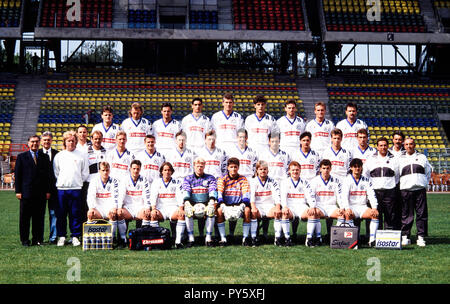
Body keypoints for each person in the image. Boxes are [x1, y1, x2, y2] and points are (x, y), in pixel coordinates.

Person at [53, 130, 90, 247]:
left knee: (75, 214)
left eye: (73, 141)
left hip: (76, 189)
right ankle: (62, 236)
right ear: (65, 142)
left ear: (76, 141)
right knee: (61, 214)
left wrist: (77, 181)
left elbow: (85, 173)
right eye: (68, 141)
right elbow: (56, 172)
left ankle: (75, 236)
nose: (71, 143)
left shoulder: (82, 155)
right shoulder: (59, 156)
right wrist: (64, 182)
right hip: (62, 189)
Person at [15, 135, 51, 246]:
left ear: (39, 143)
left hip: (40, 194)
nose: (34, 144)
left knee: (39, 218)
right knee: (25, 218)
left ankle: (37, 239)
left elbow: (48, 176)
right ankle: (25, 240)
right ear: (28, 143)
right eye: (32, 142)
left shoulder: (44, 157)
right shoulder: (21, 157)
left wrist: (48, 191)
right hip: (26, 193)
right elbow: (18, 175)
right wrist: (18, 191)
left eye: (36, 142)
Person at [398, 137, 432, 247]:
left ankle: (420, 237)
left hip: (419, 190)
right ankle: (405, 236)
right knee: (406, 214)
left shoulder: (422, 157)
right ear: (404, 145)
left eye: (411, 144)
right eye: (406, 144)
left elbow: (428, 171)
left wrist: (423, 182)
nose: (409, 146)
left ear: (414, 145)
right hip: (406, 190)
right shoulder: (400, 158)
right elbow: (397, 174)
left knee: (421, 214)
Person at [364, 137, 400, 230]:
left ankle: (388, 236)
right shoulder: (371, 159)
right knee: (375, 214)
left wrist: (390, 184)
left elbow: (397, 175)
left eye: (385, 145)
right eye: (381, 145)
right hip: (375, 191)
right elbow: (366, 175)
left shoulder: (394, 159)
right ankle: (374, 237)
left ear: (388, 146)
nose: (383, 147)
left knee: (390, 214)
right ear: (377, 147)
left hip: (389, 191)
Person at [341, 158, 379, 247]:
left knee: (375, 214)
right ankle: (352, 240)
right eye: (355, 167)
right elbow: (344, 196)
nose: (357, 169)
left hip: (362, 207)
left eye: (359, 167)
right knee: (347, 215)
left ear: (362, 168)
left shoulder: (366, 180)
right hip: (351, 207)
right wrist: (347, 208)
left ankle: (372, 240)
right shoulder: (347, 180)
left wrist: (374, 208)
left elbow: (371, 195)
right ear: (351, 168)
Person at [279, 161, 318, 247]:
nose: (295, 172)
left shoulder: (305, 182)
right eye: (293, 170)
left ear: (300, 171)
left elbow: (310, 196)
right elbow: (283, 197)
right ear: (289, 171)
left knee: (312, 213)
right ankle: (287, 239)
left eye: (297, 170)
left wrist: (312, 206)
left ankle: (309, 239)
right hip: (290, 206)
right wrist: (284, 207)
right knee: (284, 213)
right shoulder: (284, 182)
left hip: (301, 206)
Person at [182, 157, 218, 247]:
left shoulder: (210, 178)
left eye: (201, 166)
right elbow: (186, 190)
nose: (199, 168)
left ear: (204, 166)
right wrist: (187, 202)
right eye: (197, 166)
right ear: (194, 166)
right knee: (188, 212)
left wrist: (211, 202)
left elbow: (212, 190)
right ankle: (191, 238)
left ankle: (208, 238)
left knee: (211, 211)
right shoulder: (188, 178)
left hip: (206, 202)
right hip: (193, 203)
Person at [86, 162, 124, 246]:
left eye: (107, 170)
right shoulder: (94, 181)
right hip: (98, 208)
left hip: (109, 207)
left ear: (109, 171)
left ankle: (112, 238)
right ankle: (90, 239)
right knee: (90, 214)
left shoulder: (114, 181)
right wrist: (91, 208)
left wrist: (114, 207)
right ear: (99, 171)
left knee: (113, 214)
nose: (105, 172)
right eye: (103, 170)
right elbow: (90, 196)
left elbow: (116, 196)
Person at [309, 159, 346, 245]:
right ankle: (318, 238)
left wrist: (341, 207)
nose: (325, 170)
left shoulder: (336, 181)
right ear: (320, 169)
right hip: (319, 206)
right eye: (324, 168)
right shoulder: (314, 181)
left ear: (330, 169)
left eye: (327, 168)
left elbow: (340, 196)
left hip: (331, 206)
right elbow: (311, 196)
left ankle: (336, 238)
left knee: (342, 214)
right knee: (315, 213)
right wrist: (313, 206)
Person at [149, 162, 185, 248]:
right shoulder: (156, 182)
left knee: (182, 215)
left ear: (172, 172)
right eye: (165, 170)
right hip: (161, 208)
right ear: (161, 171)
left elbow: (180, 196)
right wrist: (153, 209)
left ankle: (178, 241)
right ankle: (156, 241)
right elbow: (153, 196)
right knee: (153, 215)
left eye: (169, 170)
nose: (167, 172)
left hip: (173, 208)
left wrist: (181, 208)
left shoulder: (177, 182)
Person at [216, 157, 251, 246]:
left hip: (239, 204)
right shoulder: (222, 178)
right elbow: (219, 192)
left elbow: (246, 193)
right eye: (231, 167)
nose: (233, 169)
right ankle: (223, 238)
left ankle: (245, 238)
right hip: (226, 205)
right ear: (227, 167)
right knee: (219, 211)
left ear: (238, 167)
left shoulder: (243, 179)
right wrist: (222, 204)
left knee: (247, 210)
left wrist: (243, 204)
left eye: (235, 167)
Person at [117, 160, 152, 247]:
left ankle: (142, 239)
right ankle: (122, 239)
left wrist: (147, 208)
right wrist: (119, 207)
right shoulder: (125, 179)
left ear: (140, 169)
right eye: (134, 169)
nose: (135, 171)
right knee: (119, 213)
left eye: (137, 169)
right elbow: (121, 195)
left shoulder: (144, 179)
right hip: (128, 207)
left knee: (147, 214)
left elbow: (147, 195)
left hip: (140, 207)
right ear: (130, 169)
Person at [249, 160, 282, 247]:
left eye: (265, 169)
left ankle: (277, 238)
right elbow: (252, 197)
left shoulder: (273, 181)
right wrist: (253, 207)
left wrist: (278, 207)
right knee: (253, 213)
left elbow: (277, 196)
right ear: (257, 170)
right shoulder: (253, 181)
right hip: (258, 205)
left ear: (268, 170)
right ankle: (253, 238)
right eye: (260, 169)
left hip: (269, 206)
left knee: (277, 213)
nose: (263, 171)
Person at [39, 131, 59, 244]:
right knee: (40, 215)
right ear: (41, 141)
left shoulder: (58, 153)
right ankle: (39, 238)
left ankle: (53, 238)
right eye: (44, 139)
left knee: (53, 214)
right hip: (40, 190)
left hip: (54, 189)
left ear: (52, 141)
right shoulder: (37, 153)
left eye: (48, 139)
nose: (46, 141)